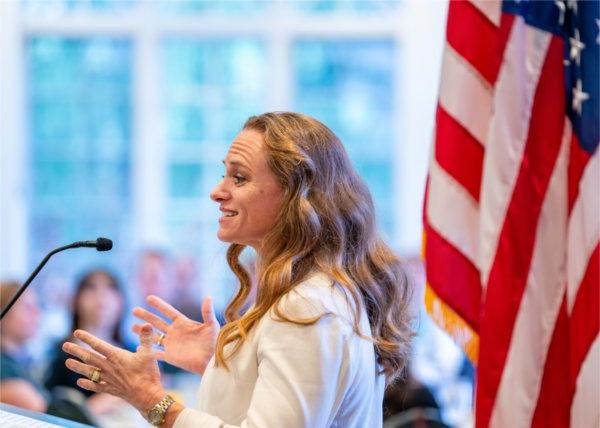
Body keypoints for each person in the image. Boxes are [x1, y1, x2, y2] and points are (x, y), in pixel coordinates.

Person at [61, 112, 414, 427]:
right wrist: (223, 365)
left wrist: (150, 399)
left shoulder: (307, 307)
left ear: (296, 195)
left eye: (239, 178)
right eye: (223, 175)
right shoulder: (316, 294)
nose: (217, 191)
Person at [45, 269, 132, 415]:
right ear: (75, 300)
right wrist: (122, 394)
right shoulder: (60, 356)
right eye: (91, 287)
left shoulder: (132, 351)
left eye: (111, 288)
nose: (101, 296)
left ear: (122, 302)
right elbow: (52, 414)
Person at [0, 281, 48, 412]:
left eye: (37, 306)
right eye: (27, 307)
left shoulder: (20, 363)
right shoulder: (4, 368)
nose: (37, 313)